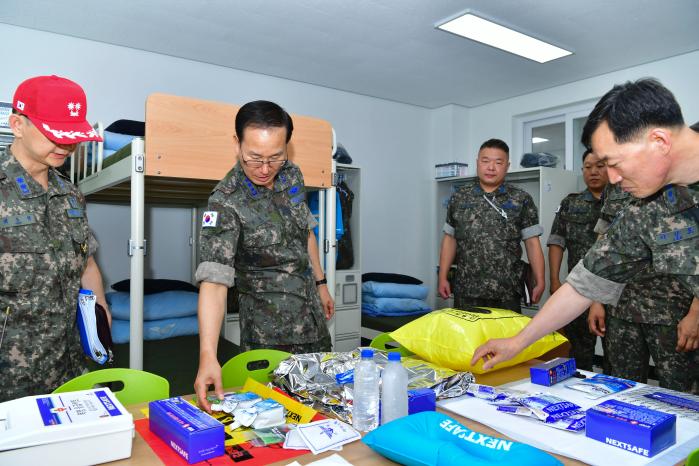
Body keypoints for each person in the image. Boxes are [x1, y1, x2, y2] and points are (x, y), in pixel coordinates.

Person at [471, 78, 699, 377]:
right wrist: (518, 343)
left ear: (659, 142)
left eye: (614, 163)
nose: (612, 179)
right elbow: (585, 282)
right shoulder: (645, 204)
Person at [194, 100, 334, 411]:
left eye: (276, 158)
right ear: (237, 145)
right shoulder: (224, 202)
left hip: (312, 324)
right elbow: (214, 283)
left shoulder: (292, 176)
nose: (265, 169)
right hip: (268, 338)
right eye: (254, 158)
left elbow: (305, 230)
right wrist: (208, 355)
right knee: (275, 422)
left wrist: (321, 282)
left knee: (325, 413)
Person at [0, 75, 109, 402]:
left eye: (73, 137)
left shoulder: (71, 194)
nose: (66, 146)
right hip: (10, 377)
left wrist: (100, 334)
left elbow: (87, 266)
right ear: (18, 125)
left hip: (71, 364)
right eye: (55, 135)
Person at [588, 182, 698, 392]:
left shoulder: (687, 180)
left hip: (674, 311)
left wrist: (696, 313)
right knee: (623, 388)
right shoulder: (617, 184)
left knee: (680, 392)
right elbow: (603, 245)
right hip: (621, 307)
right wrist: (596, 299)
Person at [438, 138, 545, 312]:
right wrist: (443, 276)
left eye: (498, 162)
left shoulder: (520, 199)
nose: (491, 167)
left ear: (507, 166)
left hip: (507, 290)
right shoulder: (460, 197)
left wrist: (540, 280)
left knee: (506, 339)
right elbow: (450, 239)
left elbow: (532, 243)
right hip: (467, 289)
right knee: (470, 339)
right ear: (477, 163)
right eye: (485, 161)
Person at [547, 149, 608, 370]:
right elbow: (556, 242)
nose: (593, 172)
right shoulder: (570, 203)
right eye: (588, 167)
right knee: (578, 355)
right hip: (578, 289)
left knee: (616, 359)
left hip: (613, 293)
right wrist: (555, 281)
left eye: (600, 166)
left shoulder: (623, 203)